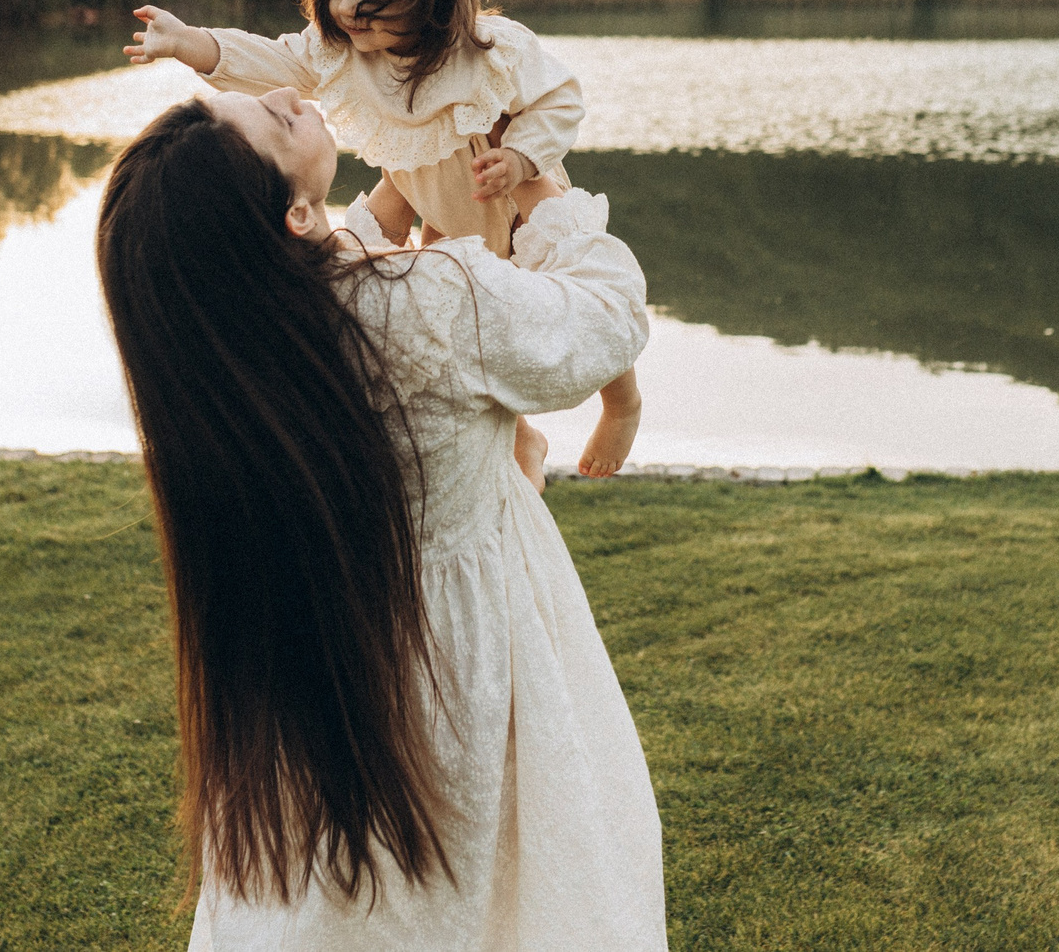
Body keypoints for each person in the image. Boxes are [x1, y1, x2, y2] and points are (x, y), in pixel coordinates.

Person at [95, 86, 666, 949]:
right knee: (497, 891)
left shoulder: (238, 352)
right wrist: (542, 187)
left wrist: (402, 183)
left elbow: (342, 263)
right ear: (290, 217)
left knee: (338, 905)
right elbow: (603, 317)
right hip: (468, 662)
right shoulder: (429, 302)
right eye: (280, 119)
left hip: (317, 667)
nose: (290, 92)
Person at [124, 0, 643, 484]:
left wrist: (523, 158)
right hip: (431, 199)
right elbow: (273, 60)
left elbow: (561, 99)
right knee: (466, 328)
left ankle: (622, 402)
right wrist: (193, 44)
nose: (345, 8)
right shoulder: (342, 51)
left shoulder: (487, 51)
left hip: (508, 192)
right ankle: (519, 437)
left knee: (561, 291)